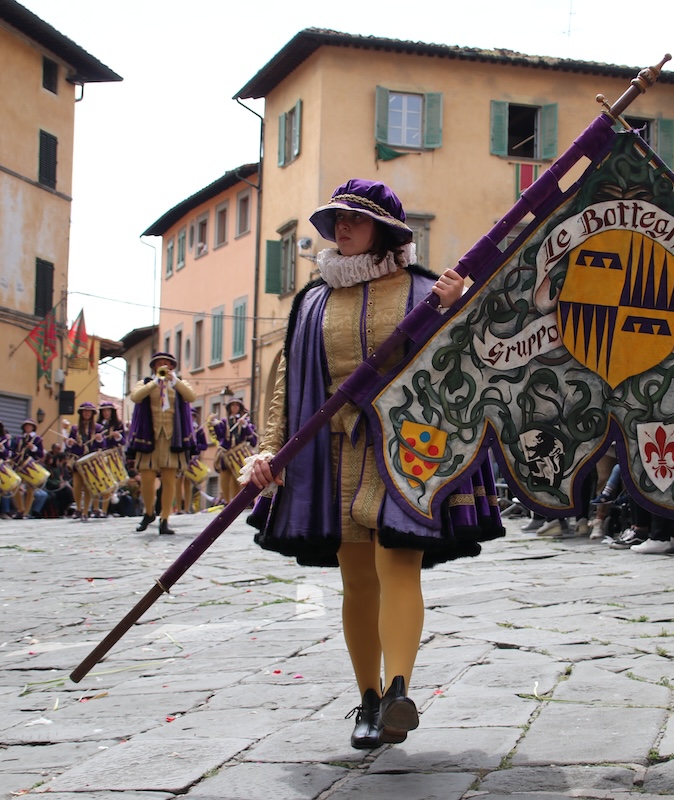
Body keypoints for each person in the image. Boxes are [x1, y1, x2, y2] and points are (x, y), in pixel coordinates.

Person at [244, 179, 503, 749]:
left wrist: (459, 311)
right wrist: (269, 449)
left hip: (407, 451)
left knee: (398, 563)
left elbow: (469, 364)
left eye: (354, 219)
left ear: (383, 231)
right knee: (357, 578)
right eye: (336, 219)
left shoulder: (428, 292)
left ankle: (398, 692)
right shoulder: (311, 301)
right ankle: (368, 698)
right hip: (332, 456)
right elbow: (288, 380)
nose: (341, 227)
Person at [127, 352, 197, 535]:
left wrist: (175, 381)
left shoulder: (179, 383)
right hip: (149, 437)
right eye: (160, 363)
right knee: (147, 479)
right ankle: (149, 512)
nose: (164, 366)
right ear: (154, 367)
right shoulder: (145, 383)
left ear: (172, 367)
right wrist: (155, 382)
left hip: (172, 438)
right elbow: (135, 397)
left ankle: (165, 518)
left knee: (169, 479)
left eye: (167, 363)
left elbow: (191, 396)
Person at [214, 399, 257, 505]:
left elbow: (253, 441)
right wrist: (214, 424)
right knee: (224, 477)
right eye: (232, 405)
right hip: (226, 455)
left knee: (238, 478)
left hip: (239, 455)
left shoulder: (245, 422)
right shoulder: (224, 422)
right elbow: (220, 437)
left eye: (237, 405)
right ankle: (227, 501)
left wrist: (245, 425)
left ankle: (237, 503)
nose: (234, 407)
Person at [95, 402, 126, 518]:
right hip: (99, 456)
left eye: (108, 410)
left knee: (109, 484)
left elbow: (124, 441)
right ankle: (96, 509)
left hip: (112, 456)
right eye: (104, 411)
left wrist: (117, 436)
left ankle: (105, 510)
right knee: (98, 482)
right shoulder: (97, 425)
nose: (106, 413)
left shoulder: (118, 424)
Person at [11, 419, 45, 519]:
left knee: (30, 489)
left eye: (29, 426)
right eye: (26, 426)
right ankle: (20, 509)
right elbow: (14, 451)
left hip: (31, 466)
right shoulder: (19, 439)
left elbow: (41, 454)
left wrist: (33, 448)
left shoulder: (37, 439)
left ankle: (26, 512)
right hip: (19, 465)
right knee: (15, 486)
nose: (27, 427)